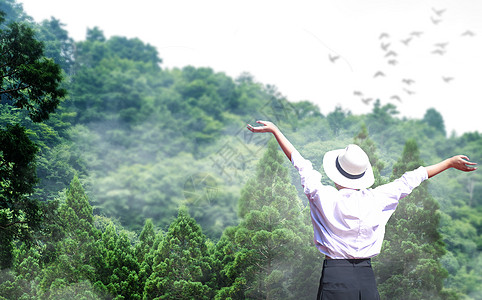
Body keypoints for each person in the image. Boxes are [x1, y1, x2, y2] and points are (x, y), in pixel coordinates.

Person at [246, 120, 477, 300]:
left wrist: (276, 131)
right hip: (366, 279)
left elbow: (301, 163)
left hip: (335, 277)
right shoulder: (377, 198)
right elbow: (412, 178)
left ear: (337, 173)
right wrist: (449, 163)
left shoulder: (323, 195)